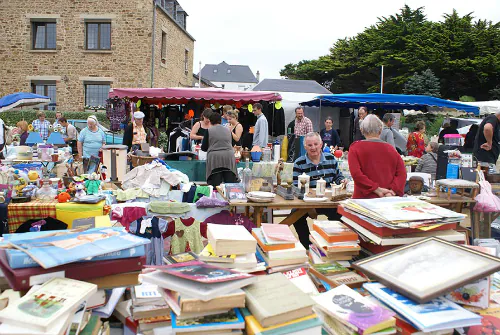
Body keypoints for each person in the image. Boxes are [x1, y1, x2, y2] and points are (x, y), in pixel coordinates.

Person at [292, 132, 347, 247]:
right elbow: (295, 185)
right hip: (307, 202)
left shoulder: (331, 159)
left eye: (316, 144)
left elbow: (338, 176)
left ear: (321, 144)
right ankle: (307, 245)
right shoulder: (299, 163)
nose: (313, 147)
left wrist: (342, 181)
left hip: (327, 201)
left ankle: (332, 242)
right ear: (305, 147)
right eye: (310, 145)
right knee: (295, 215)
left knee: (342, 214)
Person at [348, 115, 406, 199]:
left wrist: (376, 189)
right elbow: (402, 173)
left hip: (363, 200)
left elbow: (356, 174)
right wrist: (392, 190)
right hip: (387, 198)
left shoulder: (355, 148)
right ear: (380, 130)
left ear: (362, 130)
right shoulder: (391, 149)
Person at [201, 112, 237, 187]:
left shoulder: (209, 131)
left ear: (210, 121)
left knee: (215, 185)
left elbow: (204, 148)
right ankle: (230, 198)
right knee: (230, 185)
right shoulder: (228, 130)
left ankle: (215, 198)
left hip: (215, 159)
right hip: (229, 158)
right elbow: (232, 144)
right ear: (220, 121)